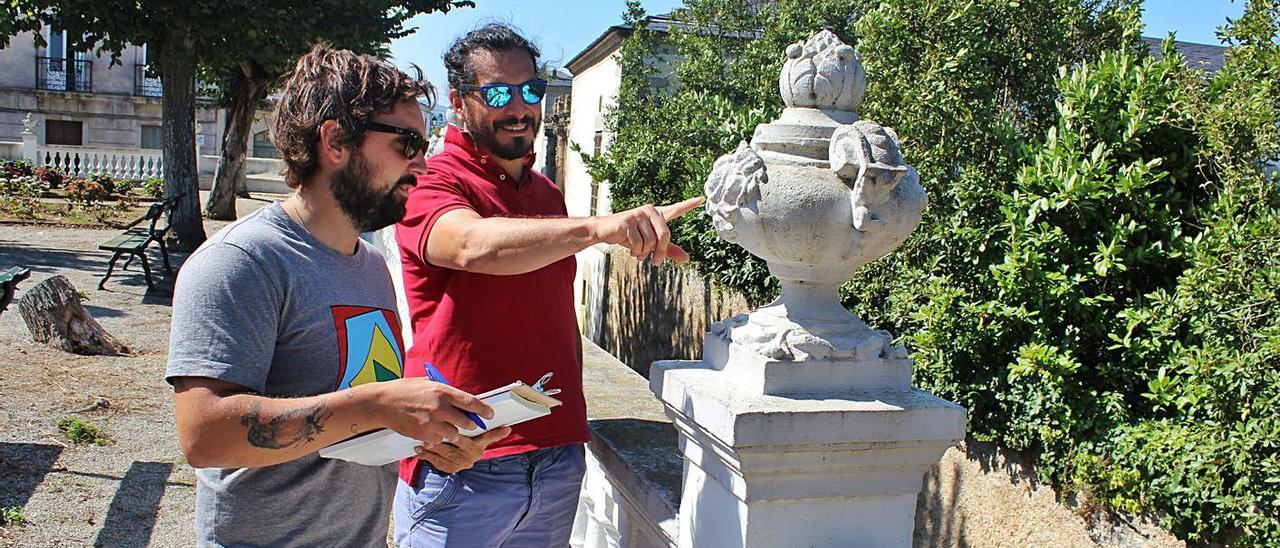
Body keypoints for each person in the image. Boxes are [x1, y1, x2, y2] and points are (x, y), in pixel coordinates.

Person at [165, 45, 510, 547]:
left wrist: (426, 439)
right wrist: (377, 405)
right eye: (407, 143)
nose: (424, 164)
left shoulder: (370, 264)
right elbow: (203, 435)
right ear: (335, 141)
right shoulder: (241, 261)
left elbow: (353, 423)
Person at [393, 24, 703, 547]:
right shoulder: (430, 179)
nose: (519, 107)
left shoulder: (545, 192)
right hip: (462, 463)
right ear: (459, 102)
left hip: (556, 459)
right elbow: (470, 244)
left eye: (531, 91)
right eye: (496, 93)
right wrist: (599, 227)